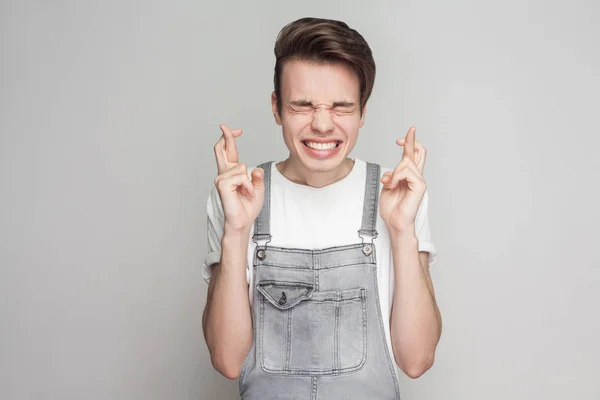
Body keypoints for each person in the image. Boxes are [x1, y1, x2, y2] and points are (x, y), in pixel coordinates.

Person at [202, 17, 441, 400]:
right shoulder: (240, 194)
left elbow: (416, 359)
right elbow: (228, 361)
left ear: (362, 112)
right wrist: (235, 231)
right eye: (303, 105)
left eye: (341, 107)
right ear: (277, 108)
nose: (322, 124)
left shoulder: (397, 196)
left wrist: (402, 231)